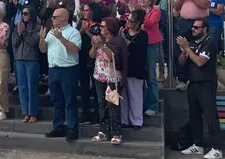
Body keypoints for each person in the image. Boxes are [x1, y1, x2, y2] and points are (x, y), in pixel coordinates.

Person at [178, 18, 224, 159]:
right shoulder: (192, 43)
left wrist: (187, 49)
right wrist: (184, 52)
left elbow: (200, 62)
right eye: (193, 27)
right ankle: (197, 145)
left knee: (210, 116)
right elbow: (181, 62)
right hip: (193, 83)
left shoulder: (209, 43)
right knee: (194, 116)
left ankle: (217, 148)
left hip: (206, 84)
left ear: (204, 29)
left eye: (197, 27)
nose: (193, 29)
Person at [40, 8, 82, 142]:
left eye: (54, 17)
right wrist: (41, 38)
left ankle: (73, 129)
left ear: (63, 17)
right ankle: (58, 127)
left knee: (70, 101)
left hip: (68, 70)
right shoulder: (52, 32)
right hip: (53, 69)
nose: (52, 19)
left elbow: (75, 50)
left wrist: (61, 38)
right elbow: (42, 49)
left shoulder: (73, 32)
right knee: (56, 101)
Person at [90, 17, 128, 145]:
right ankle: (103, 130)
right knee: (102, 104)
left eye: (102, 26)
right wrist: (95, 46)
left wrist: (102, 45)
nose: (100, 29)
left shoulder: (118, 41)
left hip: (112, 77)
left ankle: (116, 132)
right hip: (99, 75)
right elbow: (91, 55)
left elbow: (114, 57)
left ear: (110, 28)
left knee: (113, 104)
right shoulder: (100, 39)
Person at [121, 10, 148, 130]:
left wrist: (125, 42)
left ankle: (137, 121)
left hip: (136, 68)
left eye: (131, 21)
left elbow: (138, 49)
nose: (128, 23)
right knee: (124, 96)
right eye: (128, 20)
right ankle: (124, 120)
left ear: (138, 23)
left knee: (135, 96)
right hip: (124, 68)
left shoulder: (143, 34)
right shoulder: (125, 32)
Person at [13, 5, 40, 123]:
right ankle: (26, 112)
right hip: (19, 58)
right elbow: (14, 43)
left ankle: (33, 112)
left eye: (26, 14)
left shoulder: (37, 27)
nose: (23, 16)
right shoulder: (18, 26)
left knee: (31, 86)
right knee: (22, 86)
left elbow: (34, 41)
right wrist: (19, 33)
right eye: (22, 14)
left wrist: (24, 33)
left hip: (31, 59)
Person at [138, 0, 163, 115]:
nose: (142, 0)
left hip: (151, 43)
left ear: (151, 0)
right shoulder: (137, 11)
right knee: (141, 74)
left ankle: (153, 106)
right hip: (139, 43)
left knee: (151, 74)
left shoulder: (155, 11)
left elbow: (149, 23)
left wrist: (139, 17)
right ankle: (140, 104)